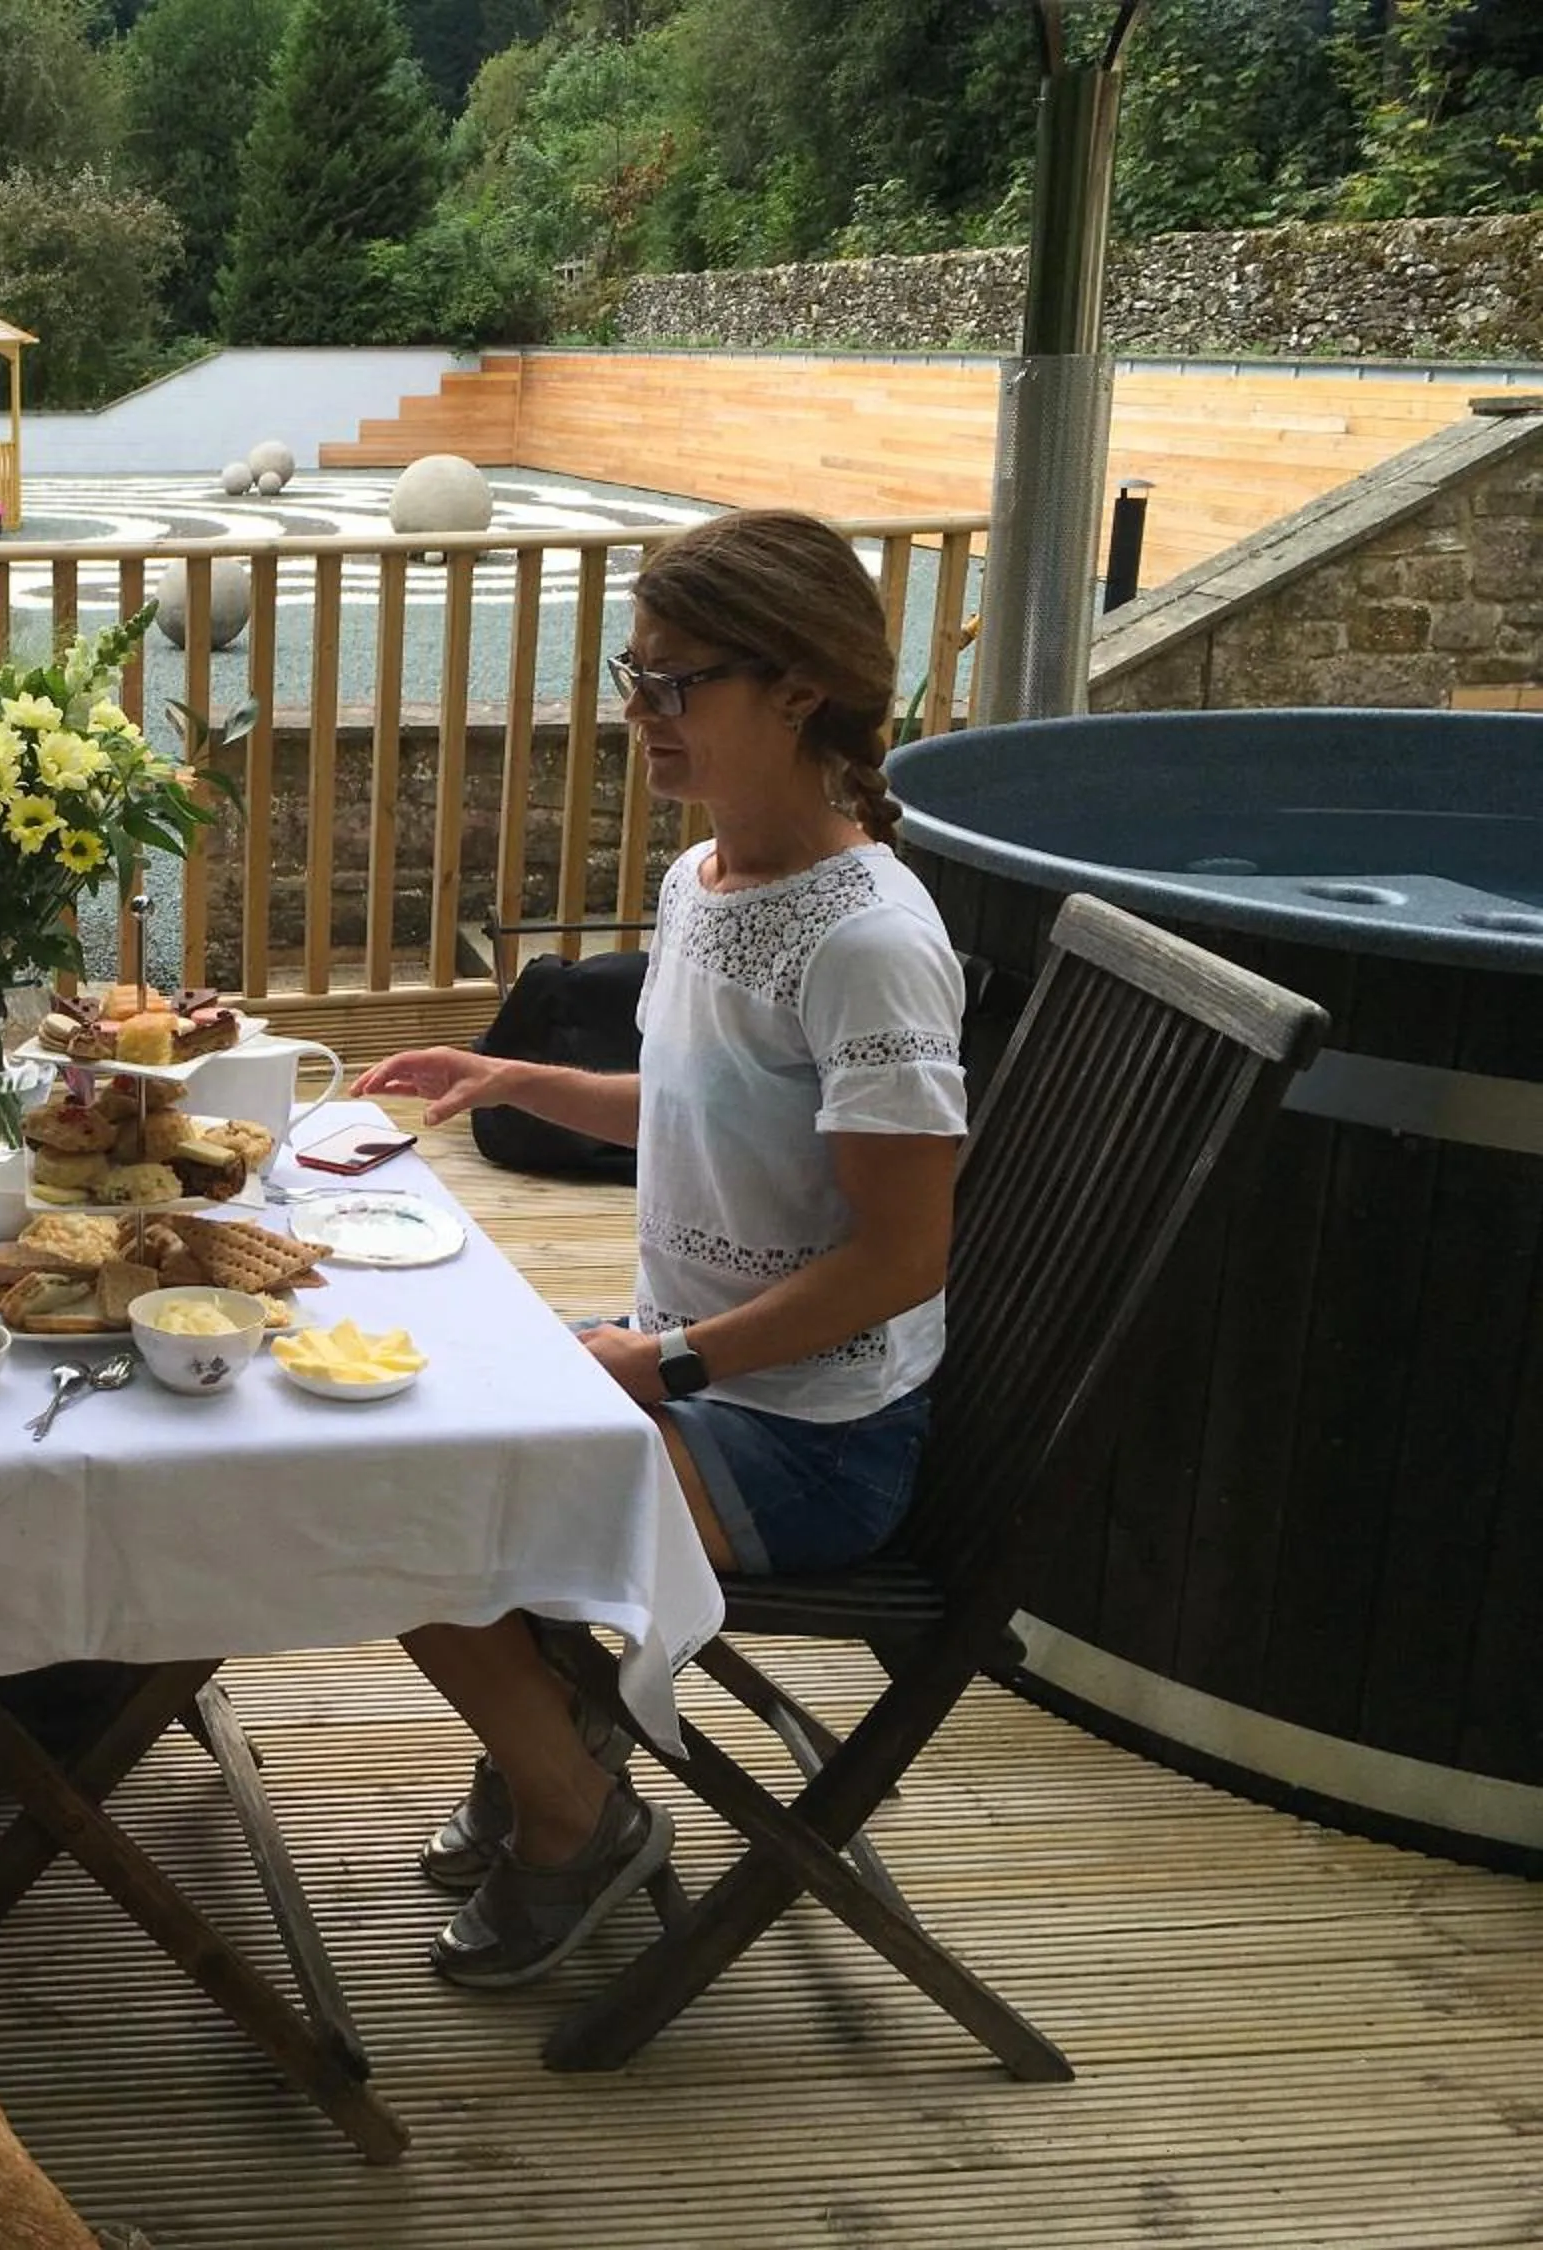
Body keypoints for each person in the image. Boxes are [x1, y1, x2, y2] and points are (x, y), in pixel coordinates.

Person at [353, 508, 967, 1989]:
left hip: (811, 1438)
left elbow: (904, 1258)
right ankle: (549, 1735)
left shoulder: (868, 942)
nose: (639, 713)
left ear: (799, 689)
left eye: (675, 683)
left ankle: (573, 1807)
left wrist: (670, 1357)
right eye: (638, 674)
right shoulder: (707, 882)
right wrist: (508, 1082)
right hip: (694, 1377)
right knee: (400, 1410)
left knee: (400, 1496)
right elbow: (695, 1105)